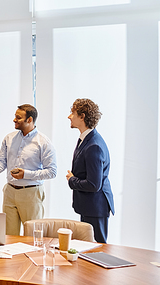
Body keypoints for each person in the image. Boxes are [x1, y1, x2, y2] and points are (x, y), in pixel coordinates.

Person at [0, 104, 57, 235]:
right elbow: (2, 162)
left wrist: (25, 174)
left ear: (29, 120)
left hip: (31, 193)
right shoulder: (9, 138)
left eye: (18, 117)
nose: (14, 120)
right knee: (8, 236)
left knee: (33, 235)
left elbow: (51, 171)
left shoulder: (44, 142)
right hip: (10, 192)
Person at [66, 98, 115, 243]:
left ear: (82, 116)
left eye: (72, 113)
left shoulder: (94, 145)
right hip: (89, 205)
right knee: (88, 249)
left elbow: (94, 184)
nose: (69, 116)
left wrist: (71, 180)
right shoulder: (86, 139)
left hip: (95, 206)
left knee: (97, 249)